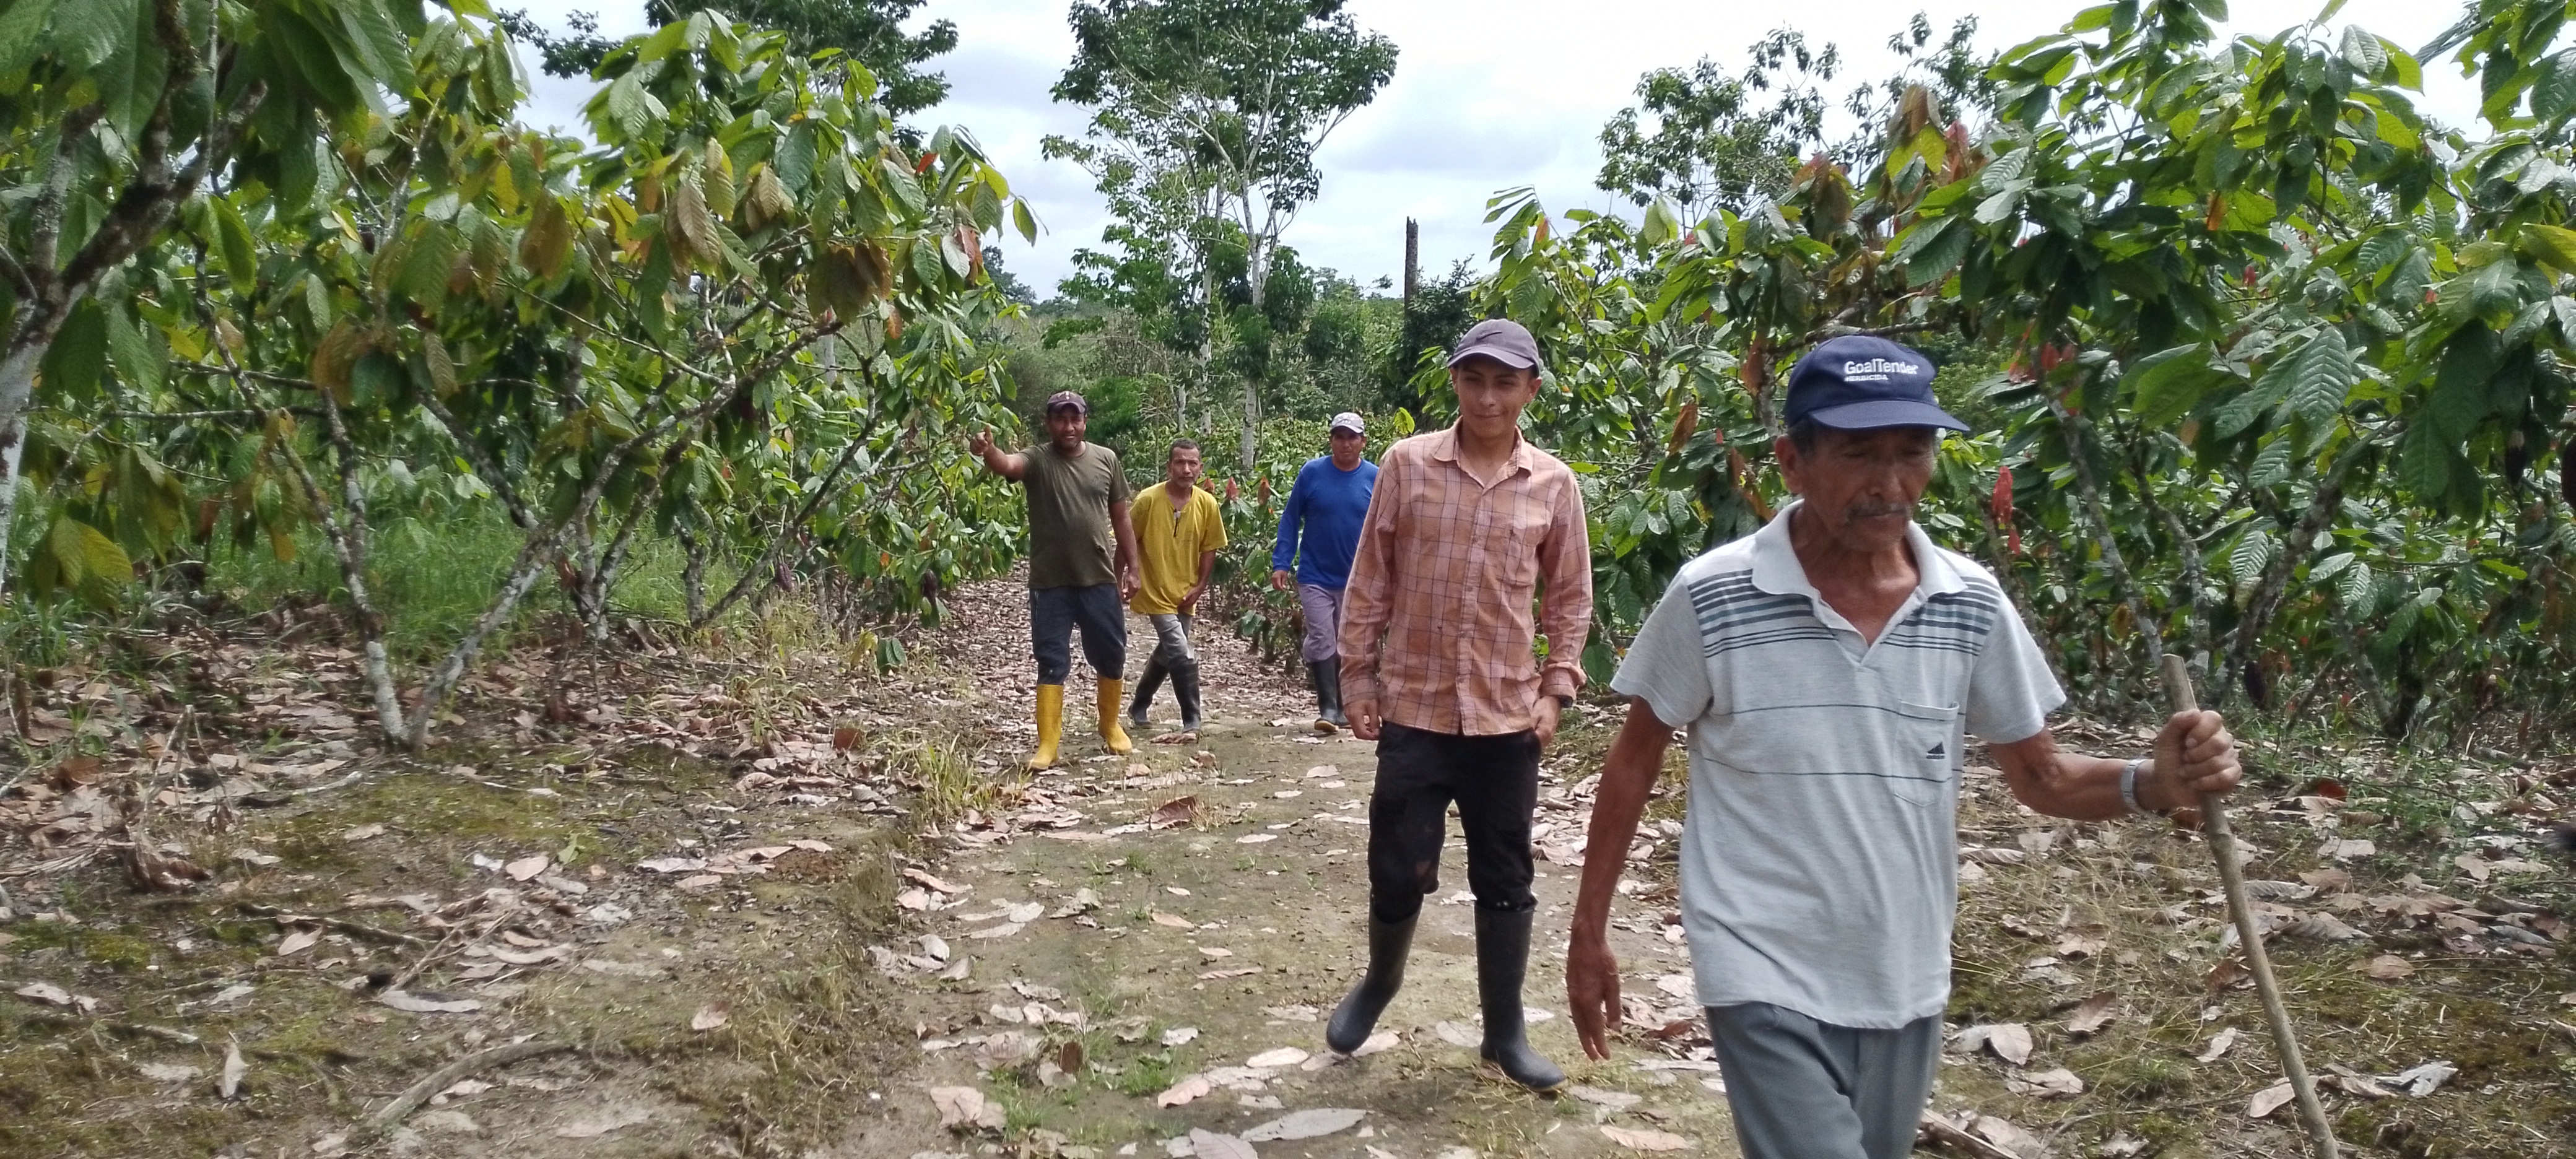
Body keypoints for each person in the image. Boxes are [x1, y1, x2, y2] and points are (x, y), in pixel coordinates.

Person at [1561, 336, 2245, 1159]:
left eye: (1912, 452)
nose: (1889, 484)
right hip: (1757, 957)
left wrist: (2156, 782)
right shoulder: (1715, 595)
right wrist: (1588, 931)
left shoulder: (1969, 604)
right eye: (1859, 455)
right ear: (1792, 461)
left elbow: (2044, 778)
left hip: (1904, 971)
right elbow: (1634, 759)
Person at [1323, 319, 1593, 1093]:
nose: (1487, 397)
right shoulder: (1406, 466)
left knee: (1505, 873)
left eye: (1504, 382)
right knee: (1397, 865)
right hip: (1415, 709)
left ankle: (1503, 1031)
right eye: (1474, 379)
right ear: (1454, 382)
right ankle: (1379, 982)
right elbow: (1370, 579)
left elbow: (1569, 595)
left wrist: (1556, 687)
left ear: (1529, 390)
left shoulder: (1553, 485)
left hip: (1505, 717)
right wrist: (1357, 679)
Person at [968, 391, 1142, 769]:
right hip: (1050, 583)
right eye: (1061, 419)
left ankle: (1110, 725)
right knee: (1051, 660)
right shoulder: (1038, 459)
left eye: (1075, 418)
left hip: (1098, 577)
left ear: (1085, 421)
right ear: (1049, 423)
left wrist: (1133, 567)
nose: (1069, 426)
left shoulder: (1106, 460)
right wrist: (988, 451)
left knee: (1112, 654)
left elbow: (1121, 517)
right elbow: (1008, 464)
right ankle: (1048, 743)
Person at [1272, 412, 1378, 732]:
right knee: (1322, 637)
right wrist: (1281, 562)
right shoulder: (1312, 473)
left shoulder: (1375, 477)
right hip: (1315, 575)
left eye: (1352, 438)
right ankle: (1328, 708)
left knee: (1348, 642)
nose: (1346, 444)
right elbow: (1291, 518)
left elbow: (1386, 526)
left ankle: (1346, 707)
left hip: (1356, 578)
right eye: (1339, 437)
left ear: (1363, 442)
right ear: (1331, 440)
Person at [1126, 439, 1227, 743]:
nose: (1186, 469)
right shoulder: (1148, 500)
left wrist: (1201, 585)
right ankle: (1192, 720)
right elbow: (1127, 540)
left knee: (1168, 650)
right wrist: (1125, 575)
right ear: (1169, 466)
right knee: (1181, 651)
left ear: (1200, 468)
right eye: (1180, 463)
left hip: (1184, 591)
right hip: (1154, 587)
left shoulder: (1207, 504)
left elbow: (1210, 546)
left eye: (1192, 463)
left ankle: (1139, 704)